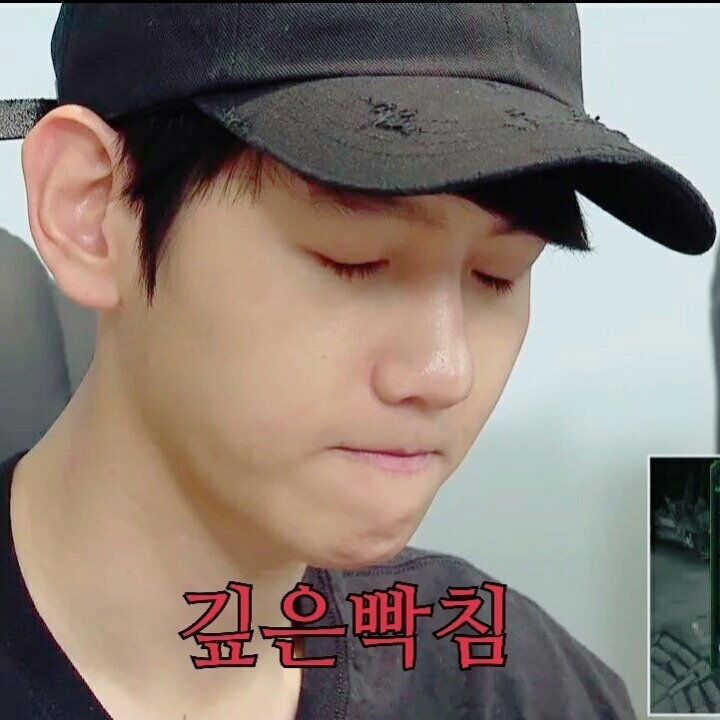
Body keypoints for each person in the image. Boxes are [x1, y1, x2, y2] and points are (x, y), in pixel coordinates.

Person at [0, 4, 715, 719]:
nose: (447, 373)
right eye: (356, 261)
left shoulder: (531, 690)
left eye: (498, 275)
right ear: (91, 209)